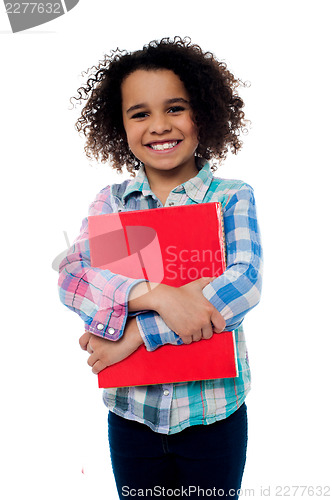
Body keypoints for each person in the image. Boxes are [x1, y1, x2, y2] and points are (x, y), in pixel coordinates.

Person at [58, 36, 263, 499]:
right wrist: (158, 294)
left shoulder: (230, 196)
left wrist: (134, 335)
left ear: (202, 114)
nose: (159, 125)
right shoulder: (114, 205)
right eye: (140, 113)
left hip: (214, 417)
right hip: (133, 418)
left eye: (175, 108)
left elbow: (243, 286)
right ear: (121, 126)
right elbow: (75, 279)